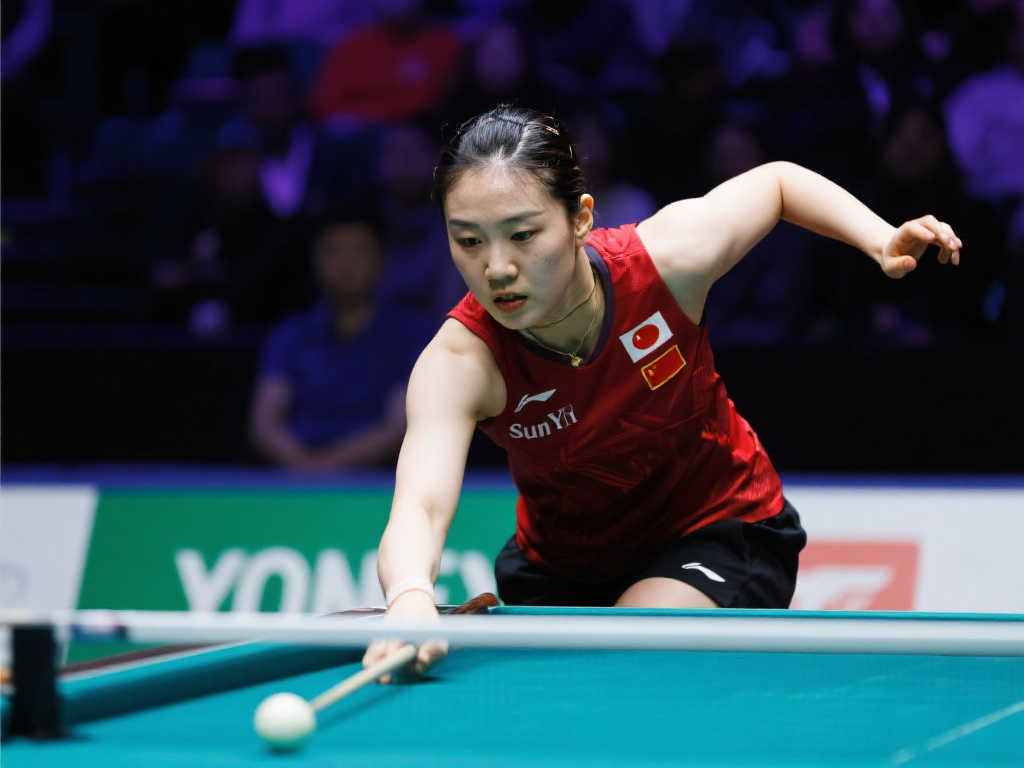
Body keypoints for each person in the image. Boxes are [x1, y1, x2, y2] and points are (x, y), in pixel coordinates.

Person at [363, 105, 963, 681]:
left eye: (522, 234)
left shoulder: (666, 263)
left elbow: (778, 184)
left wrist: (880, 238)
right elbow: (420, 506)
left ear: (580, 219)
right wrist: (411, 597)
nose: (497, 268)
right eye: (469, 241)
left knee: (628, 656)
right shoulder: (462, 361)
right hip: (562, 571)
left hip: (718, 528)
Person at [249, 208, 428, 472]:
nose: (346, 264)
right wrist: (304, 466)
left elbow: (399, 426)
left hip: (378, 480)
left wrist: (329, 466)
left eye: (359, 251)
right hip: (294, 476)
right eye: (332, 251)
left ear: (382, 259)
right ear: (314, 260)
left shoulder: (412, 333)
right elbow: (265, 424)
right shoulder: (290, 334)